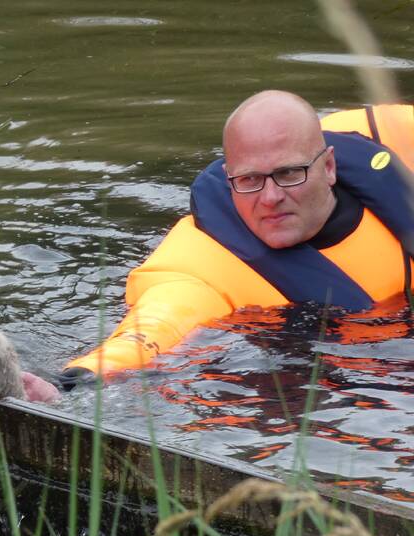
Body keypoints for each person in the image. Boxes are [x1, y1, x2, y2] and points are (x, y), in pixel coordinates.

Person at [54, 90, 414, 390]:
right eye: (250, 180)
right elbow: (153, 328)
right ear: (229, 180)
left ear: (329, 167)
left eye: (289, 173)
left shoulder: (384, 140)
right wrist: (77, 379)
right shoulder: (199, 263)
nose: (270, 197)